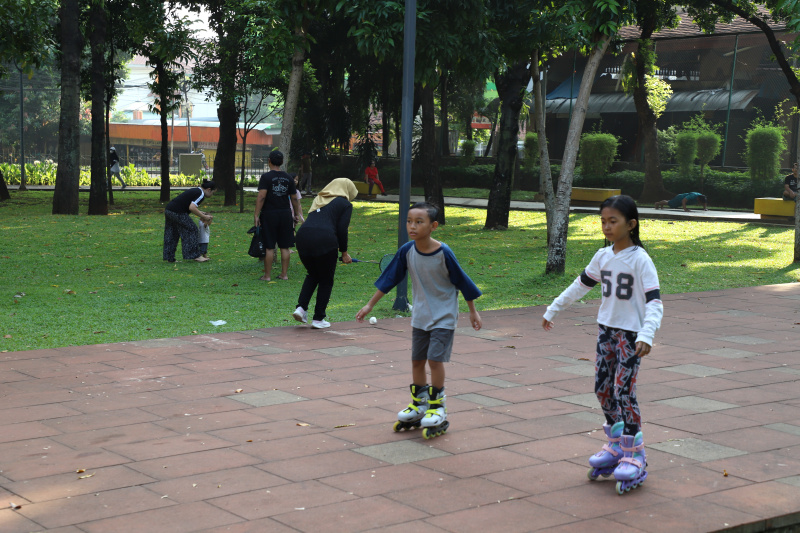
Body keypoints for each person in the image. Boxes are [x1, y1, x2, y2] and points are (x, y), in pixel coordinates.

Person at [542, 195, 662, 494]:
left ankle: (635, 452)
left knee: (624, 391)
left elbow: (654, 302)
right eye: (603, 221)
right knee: (602, 388)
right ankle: (615, 443)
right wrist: (554, 308)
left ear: (631, 224)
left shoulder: (640, 259)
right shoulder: (603, 256)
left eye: (613, 221)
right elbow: (580, 285)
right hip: (607, 332)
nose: (607, 227)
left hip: (632, 336)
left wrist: (648, 334)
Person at [356, 202, 482, 439]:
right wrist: (370, 304)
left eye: (419, 222)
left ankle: (437, 406)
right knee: (416, 361)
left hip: (444, 316)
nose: (412, 226)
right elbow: (390, 279)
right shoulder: (407, 251)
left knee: (434, 360)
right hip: (421, 316)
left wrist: (472, 310)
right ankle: (419, 405)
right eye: (409, 221)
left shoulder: (444, 253)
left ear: (433, 226)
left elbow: (462, 281)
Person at [292, 178, 357, 329]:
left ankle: (301, 308)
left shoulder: (319, 199)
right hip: (325, 239)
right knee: (326, 279)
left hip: (303, 237)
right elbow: (342, 229)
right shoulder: (345, 204)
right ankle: (318, 318)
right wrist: (344, 252)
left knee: (313, 274)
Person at [254, 150, 302, 281]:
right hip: (286, 214)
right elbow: (294, 199)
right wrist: (296, 214)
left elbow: (261, 196)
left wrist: (256, 214)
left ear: (269, 161)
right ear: (281, 162)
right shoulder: (288, 177)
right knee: (285, 246)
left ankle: (267, 276)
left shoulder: (266, 177)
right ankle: (284, 274)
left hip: (269, 214)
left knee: (269, 246)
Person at [163, 179, 217, 263]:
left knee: (172, 233)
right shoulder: (201, 194)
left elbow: (188, 205)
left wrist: (202, 213)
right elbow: (192, 208)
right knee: (192, 229)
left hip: (169, 209)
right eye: (213, 193)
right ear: (209, 190)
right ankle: (195, 255)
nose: (212, 195)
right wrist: (204, 217)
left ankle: (170, 257)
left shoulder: (196, 190)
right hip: (178, 212)